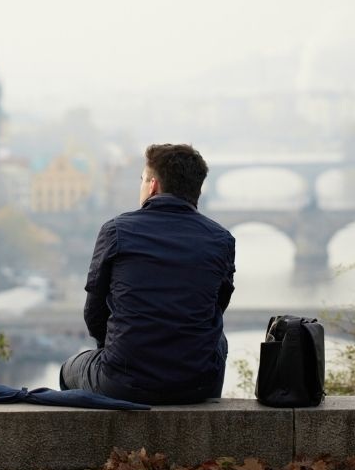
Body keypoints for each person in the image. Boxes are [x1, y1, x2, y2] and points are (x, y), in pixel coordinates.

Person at [59, 143, 236, 405]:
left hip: (122, 381)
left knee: (68, 370)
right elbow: (216, 308)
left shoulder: (117, 230)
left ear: (152, 185)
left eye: (142, 180)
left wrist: (112, 349)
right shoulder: (221, 239)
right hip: (198, 384)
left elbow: (94, 313)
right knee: (217, 338)